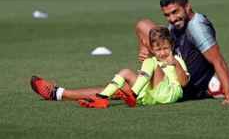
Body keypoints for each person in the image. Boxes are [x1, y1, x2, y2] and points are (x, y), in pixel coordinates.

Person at [135, 0, 229, 105]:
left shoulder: (197, 27)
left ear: (187, 7)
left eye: (175, 12)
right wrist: (144, 50)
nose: (172, 19)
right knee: (143, 24)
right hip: (169, 71)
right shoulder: (176, 25)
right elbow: (141, 27)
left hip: (185, 87)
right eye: (167, 15)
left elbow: (218, 61)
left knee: (131, 83)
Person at [30, 26, 189, 108]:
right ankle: (101, 99)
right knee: (125, 73)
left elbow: (183, 83)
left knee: (150, 63)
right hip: (150, 97)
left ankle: (131, 94)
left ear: (172, 46)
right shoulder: (154, 58)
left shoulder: (175, 59)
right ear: (153, 48)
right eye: (158, 49)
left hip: (168, 95)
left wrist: (174, 63)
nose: (162, 53)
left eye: (165, 48)